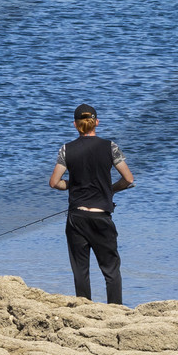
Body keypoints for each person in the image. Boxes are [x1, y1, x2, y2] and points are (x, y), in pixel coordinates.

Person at [49, 104, 133, 304]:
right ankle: (116, 310)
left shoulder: (66, 149)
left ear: (75, 125)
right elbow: (128, 179)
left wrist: (74, 184)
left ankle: (84, 309)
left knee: (80, 270)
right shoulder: (110, 147)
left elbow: (54, 183)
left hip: (76, 217)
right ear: (96, 122)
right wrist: (109, 189)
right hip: (101, 216)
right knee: (111, 270)